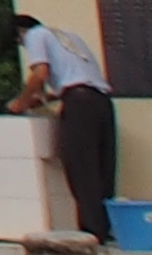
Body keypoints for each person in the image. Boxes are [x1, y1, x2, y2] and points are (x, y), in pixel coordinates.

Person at [15, 12, 116, 230]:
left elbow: (40, 74)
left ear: (21, 33)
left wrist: (20, 103)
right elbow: (77, 78)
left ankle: (91, 232)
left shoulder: (34, 35)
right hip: (101, 101)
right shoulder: (67, 37)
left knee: (81, 168)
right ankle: (106, 227)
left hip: (79, 104)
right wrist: (45, 98)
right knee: (101, 167)